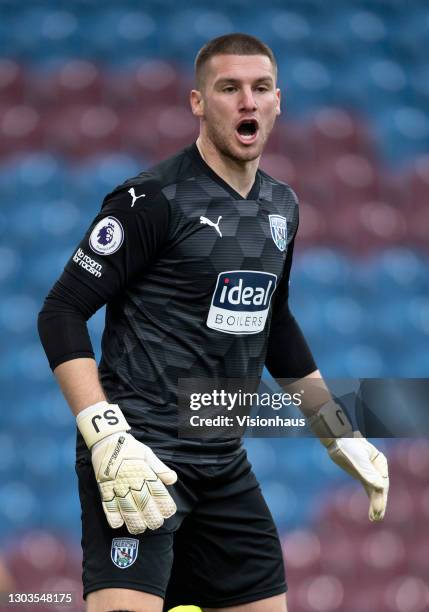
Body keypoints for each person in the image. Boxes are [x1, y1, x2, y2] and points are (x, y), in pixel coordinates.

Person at [38, 33, 389, 612]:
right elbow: (61, 311)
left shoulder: (283, 206)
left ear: (279, 100)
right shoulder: (151, 199)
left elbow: (273, 322)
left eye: (260, 88)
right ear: (198, 102)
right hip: (141, 457)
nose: (247, 102)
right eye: (229, 88)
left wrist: (337, 430)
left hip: (223, 461)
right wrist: (105, 436)